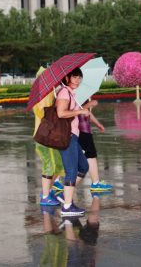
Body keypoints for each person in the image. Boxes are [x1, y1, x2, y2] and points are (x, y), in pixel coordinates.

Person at [56, 67, 92, 217]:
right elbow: (61, 113)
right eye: (74, 77)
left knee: (83, 166)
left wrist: (85, 108)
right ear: (66, 78)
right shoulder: (64, 92)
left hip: (73, 136)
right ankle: (67, 207)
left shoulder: (71, 93)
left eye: (79, 77)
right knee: (71, 171)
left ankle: (67, 197)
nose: (78, 80)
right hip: (66, 136)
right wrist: (80, 111)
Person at [32, 67, 65, 206]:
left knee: (57, 165)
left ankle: (48, 191)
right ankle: (45, 196)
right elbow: (43, 113)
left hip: (50, 136)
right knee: (49, 165)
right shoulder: (43, 95)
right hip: (45, 136)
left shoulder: (49, 93)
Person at [77, 99, 113, 193]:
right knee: (89, 157)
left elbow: (87, 112)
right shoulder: (71, 96)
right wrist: (89, 104)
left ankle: (96, 183)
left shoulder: (79, 96)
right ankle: (62, 186)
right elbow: (73, 111)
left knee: (91, 156)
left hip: (86, 131)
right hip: (80, 132)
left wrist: (98, 124)